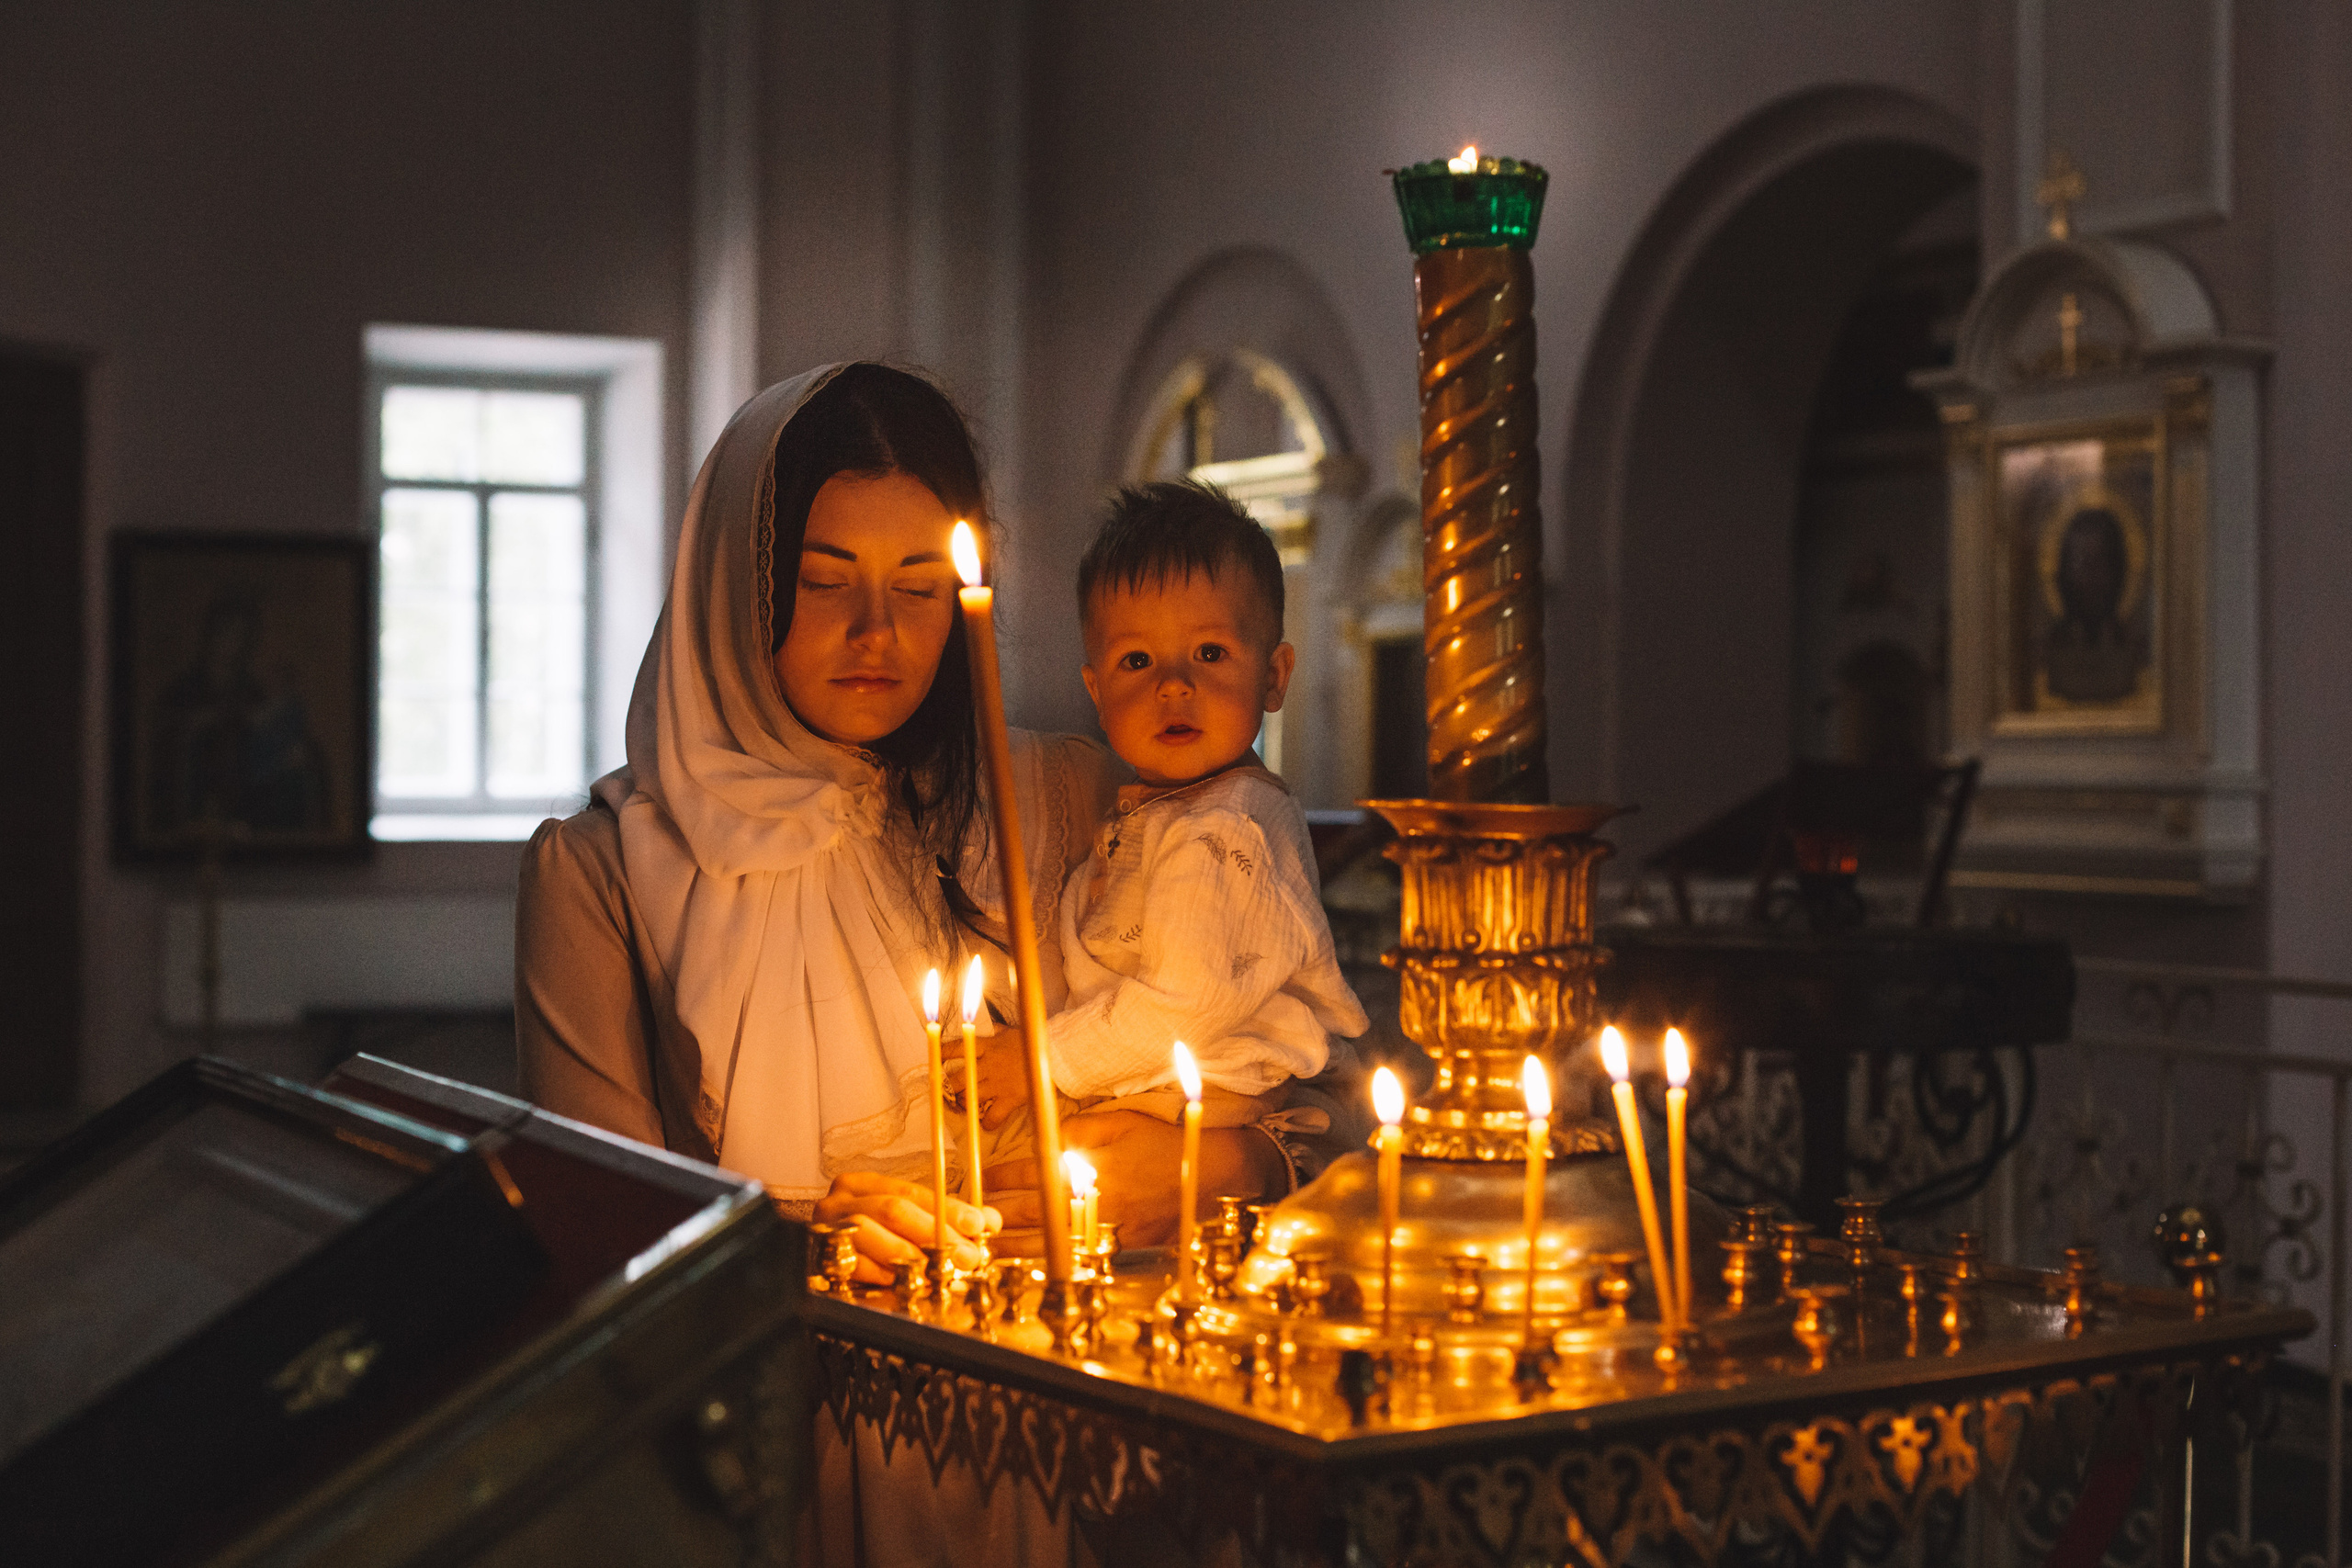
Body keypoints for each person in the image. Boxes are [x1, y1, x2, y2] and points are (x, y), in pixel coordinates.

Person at [515, 364, 1360, 1283]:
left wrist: (1218, 1168)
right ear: (733, 585)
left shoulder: (1067, 796)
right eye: (823, 582)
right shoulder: (600, 874)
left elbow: (1321, 1092)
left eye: (918, 589)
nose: (876, 632)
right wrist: (809, 1241)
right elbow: (597, 1248)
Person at [967, 481, 1367, 1145]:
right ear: (1098, 689)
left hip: (1227, 1093)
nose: (1173, 684)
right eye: (1137, 660)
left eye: (1210, 653)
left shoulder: (1225, 826)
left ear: (1274, 676)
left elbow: (1187, 1003)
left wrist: (1042, 1060)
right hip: (1162, 1079)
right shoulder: (1161, 813)